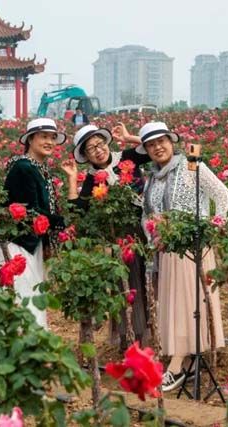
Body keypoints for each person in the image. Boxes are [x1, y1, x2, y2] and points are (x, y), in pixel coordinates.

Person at [139, 121, 228, 392]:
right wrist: (153, 236)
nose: (158, 147)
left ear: (172, 141)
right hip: (167, 251)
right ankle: (188, 359)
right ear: (146, 150)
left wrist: (215, 227)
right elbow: (147, 215)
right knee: (177, 305)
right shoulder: (152, 179)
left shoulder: (191, 166)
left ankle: (176, 365)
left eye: (162, 141)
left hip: (193, 248)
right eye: (151, 144)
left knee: (190, 302)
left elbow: (222, 195)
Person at [61, 123, 151, 347]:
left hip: (147, 227)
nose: (98, 150)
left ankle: (155, 331)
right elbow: (78, 210)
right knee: (130, 284)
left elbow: (153, 147)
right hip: (122, 237)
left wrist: (130, 137)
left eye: (100, 144)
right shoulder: (92, 179)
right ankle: (131, 336)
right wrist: (73, 179)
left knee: (151, 279)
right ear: (86, 155)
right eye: (91, 149)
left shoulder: (126, 157)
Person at [0, 118, 67, 328]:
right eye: (43, 137)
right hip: (17, 242)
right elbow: (29, 210)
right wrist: (61, 223)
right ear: (30, 139)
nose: (49, 141)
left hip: (30, 241)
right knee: (24, 292)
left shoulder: (38, 168)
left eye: (52, 137)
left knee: (32, 290)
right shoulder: (22, 167)